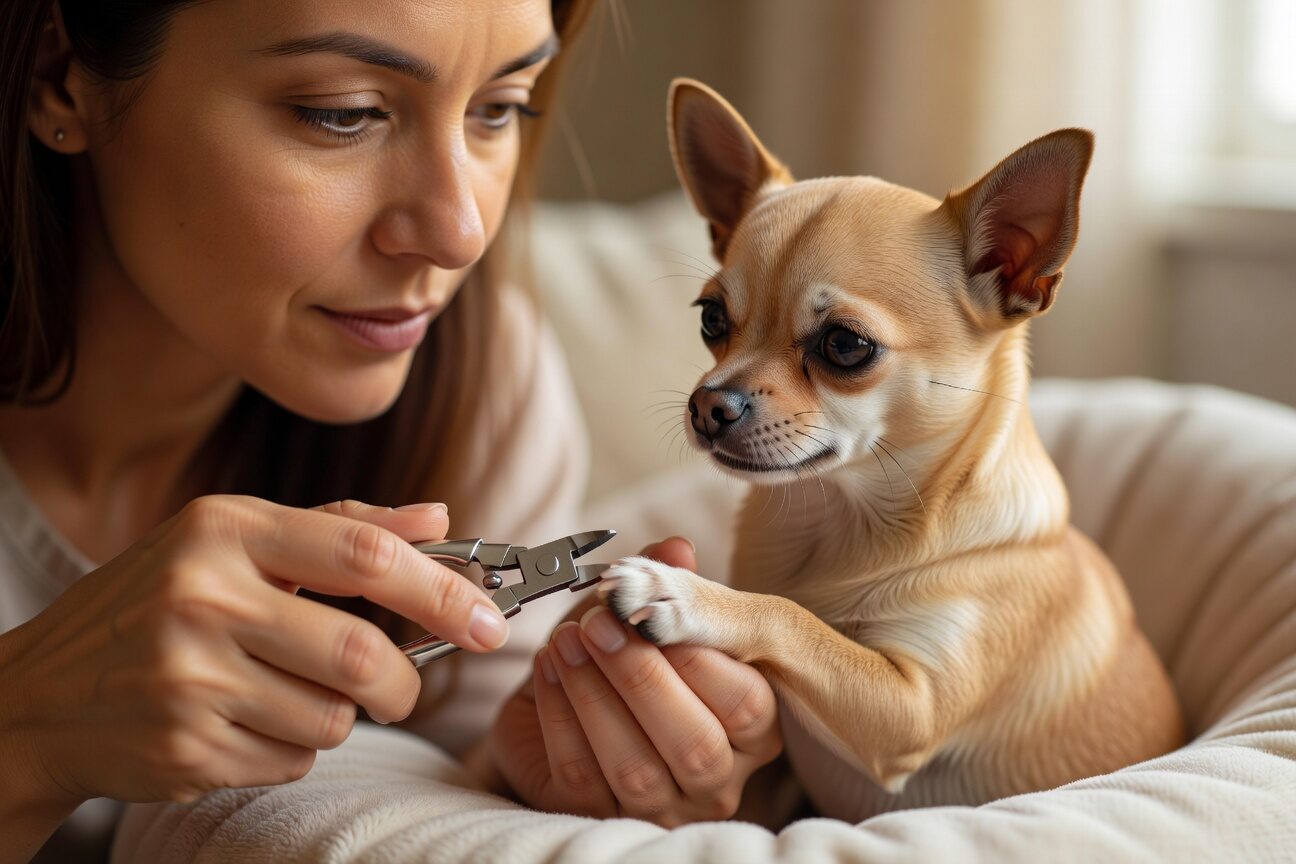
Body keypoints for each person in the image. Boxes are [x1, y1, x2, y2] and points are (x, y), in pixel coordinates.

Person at [0, 1, 783, 861]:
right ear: (57, 82)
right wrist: (25, 732)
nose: (459, 233)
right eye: (345, 112)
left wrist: (528, 779)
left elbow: (460, 757)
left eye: (500, 107)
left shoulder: (481, 379)